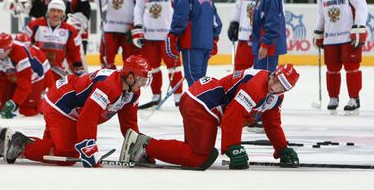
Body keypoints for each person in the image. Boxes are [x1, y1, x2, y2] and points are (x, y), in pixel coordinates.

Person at [120, 64, 300, 170]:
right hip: (202, 105)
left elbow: (272, 123)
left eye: (281, 86)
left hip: (201, 102)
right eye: (276, 79)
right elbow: (233, 117)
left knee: (194, 153)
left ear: (286, 90)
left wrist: (282, 148)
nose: (275, 85)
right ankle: (143, 146)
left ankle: (144, 146)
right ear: (274, 73)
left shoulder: (275, 98)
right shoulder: (256, 85)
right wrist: (233, 147)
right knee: (198, 158)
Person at [0, 55, 152, 168]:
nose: (143, 84)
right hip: (61, 104)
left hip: (71, 106)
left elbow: (129, 122)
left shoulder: (132, 92)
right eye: (142, 79)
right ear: (130, 77)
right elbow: (88, 118)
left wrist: (136, 146)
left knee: (54, 148)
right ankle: (15, 143)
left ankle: (13, 141)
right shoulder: (109, 86)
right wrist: (88, 147)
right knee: (66, 154)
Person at [313, 0, 368, 115]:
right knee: (332, 69)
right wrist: (318, 32)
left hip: (348, 36)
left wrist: (359, 28)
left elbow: (361, 7)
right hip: (331, 37)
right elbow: (321, 14)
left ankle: (354, 98)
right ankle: (333, 97)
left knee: (352, 68)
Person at [133, 0, 183, 108]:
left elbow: (181, 7)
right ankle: (156, 96)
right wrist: (138, 28)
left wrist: (179, 29)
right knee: (152, 68)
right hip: (149, 36)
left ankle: (178, 97)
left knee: (174, 67)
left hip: (168, 36)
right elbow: (139, 8)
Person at [166, 0, 221, 87]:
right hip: (207, 44)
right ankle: (203, 104)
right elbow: (216, 22)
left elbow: (180, 19)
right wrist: (214, 39)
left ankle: (197, 105)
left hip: (191, 44)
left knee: (193, 79)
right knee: (201, 80)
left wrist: (173, 35)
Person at [0, 33, 36, 118]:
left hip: (35, 78)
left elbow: (25, 80)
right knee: (4, 106)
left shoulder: (19, 51)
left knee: (27, 110)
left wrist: (15, 102)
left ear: (9, 49)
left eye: (0, 52)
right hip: (14, 77)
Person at [26, 0, 84, 80]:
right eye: (53, 10)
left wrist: (79, 68)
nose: (55, 14)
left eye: (59, 11)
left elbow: (74, 53)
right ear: (48, 12)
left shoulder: (70, 30)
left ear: (63, 14)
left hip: (57, 71)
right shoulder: (34, 25)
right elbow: (25, 46)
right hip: (36, 70)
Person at [251, 0, 287, 73]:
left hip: (268, 47)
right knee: (260, 79)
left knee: (265, 80)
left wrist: (265, 45)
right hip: (262, 44)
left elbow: (273, 23)